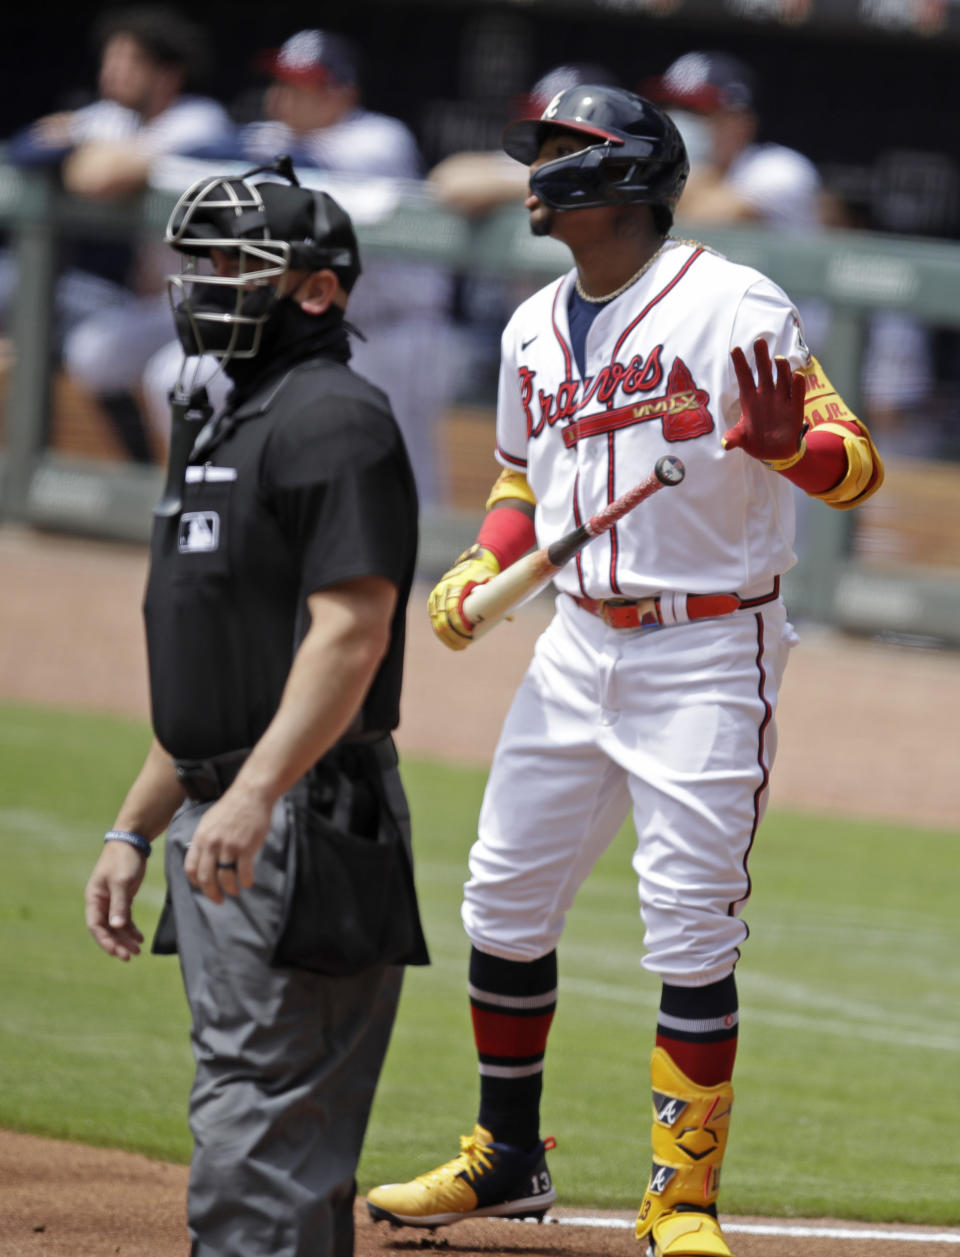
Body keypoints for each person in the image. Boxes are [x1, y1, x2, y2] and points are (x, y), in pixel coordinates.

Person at [364, 86, 883, 1257]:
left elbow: (857, 468)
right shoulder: (530, 325)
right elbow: (518, 488)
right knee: (501, 903)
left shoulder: (734, 303)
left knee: (691, 931)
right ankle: (507, 1160)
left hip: (707, 649)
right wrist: (479, 568)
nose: (534, 173)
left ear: (623, 178)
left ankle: (682, 1201)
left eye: (559, 154)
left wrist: (788, 448)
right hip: (575, 642)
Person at [83, 160, 428, 1257]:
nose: (200, 285)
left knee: (263, 1101)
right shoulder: (224, 418)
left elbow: (350, 634)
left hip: (298, 813)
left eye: (233, 264)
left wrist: (254, 794)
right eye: (195, 262)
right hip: (236, 801)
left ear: (316, 290)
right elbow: (215, 668)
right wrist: (134, 824)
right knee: (266, 1102)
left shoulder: (334, 420)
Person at [143, 28, 458, 508]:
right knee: (176, 377)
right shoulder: (273, 136)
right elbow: (200, 154)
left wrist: (232, 152)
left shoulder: (377, 139)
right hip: (306, 327)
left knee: (403, 472)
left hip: (399, 333)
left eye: (302, 85)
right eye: (280, 81)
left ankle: (426, 565)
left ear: (343, 94)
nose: (282, 96)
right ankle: (219, 522)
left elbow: (294, 165)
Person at [2, 5, 233, 462]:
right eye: (111, 60)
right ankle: (144, 470)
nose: (113, 73)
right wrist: (91, 145)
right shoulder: (112, 118)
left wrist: (82, 147)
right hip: (163, 304)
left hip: (227, 300)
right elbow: (23, 151)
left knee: (177, 381)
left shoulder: (200, 120)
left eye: (129, 63)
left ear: (167, 76)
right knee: (93, 355)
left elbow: (98, 178)